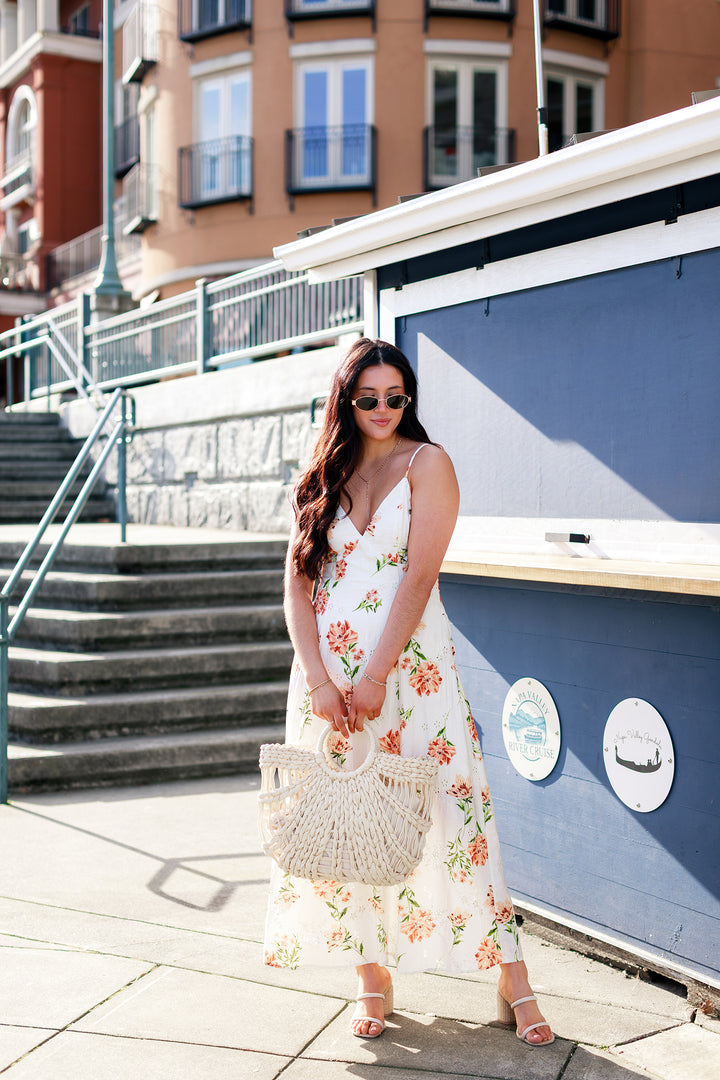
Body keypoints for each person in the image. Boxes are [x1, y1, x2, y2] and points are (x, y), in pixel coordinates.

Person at [264, 338, 554, 1046]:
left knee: (455, 815)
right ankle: (371, 974)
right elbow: (298, 588)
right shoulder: (320, 478)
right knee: (346, 824)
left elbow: (418, 578)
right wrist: (324, 682)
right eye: (369, 399)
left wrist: (374, 675)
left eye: (397, 398)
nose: (385, 409)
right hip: (327, 683)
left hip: (411, 671)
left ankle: (511, 976)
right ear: (345, 401)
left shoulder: (429, 465)